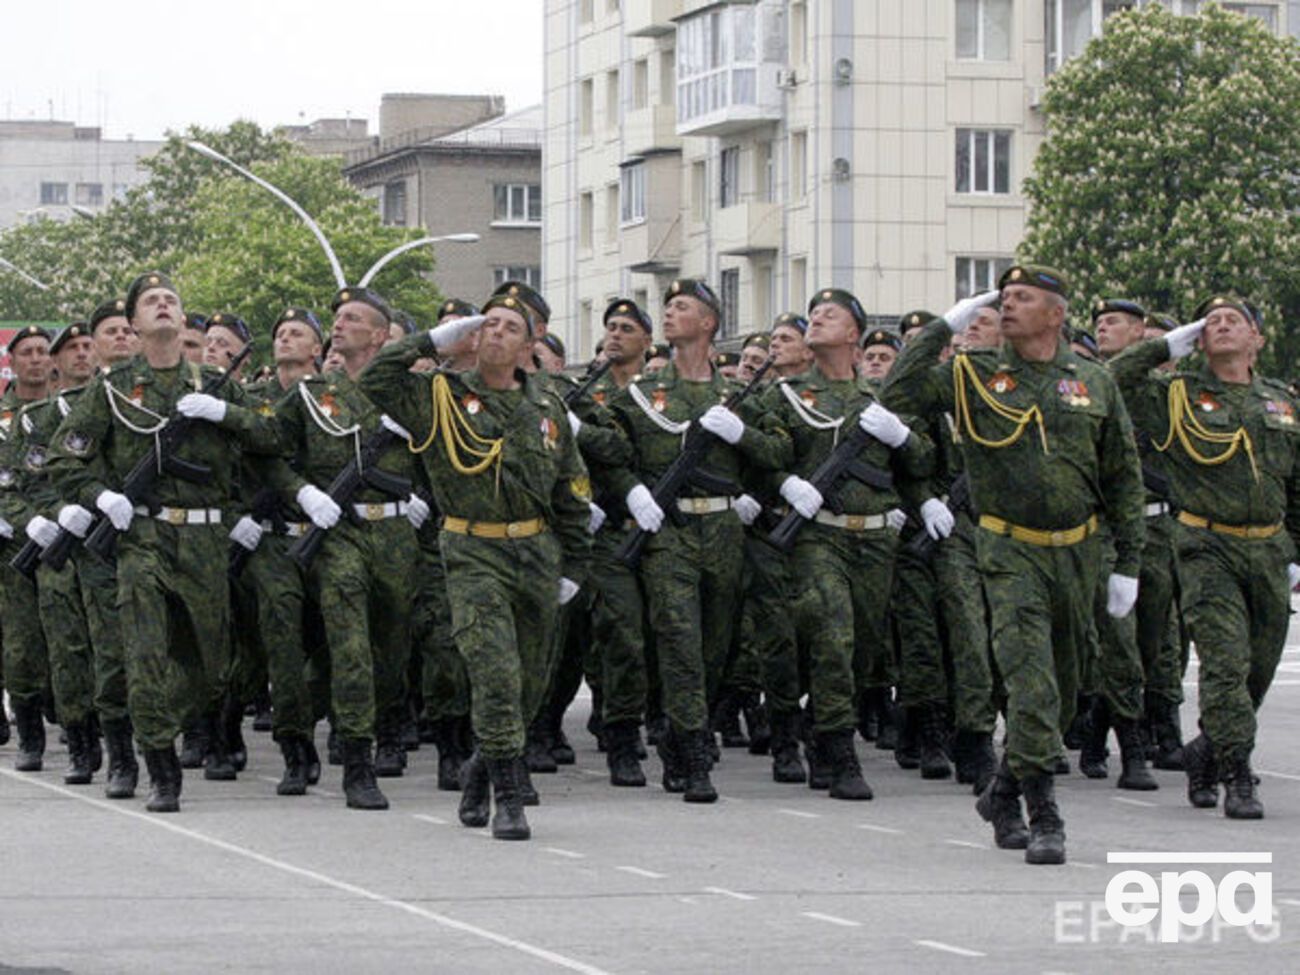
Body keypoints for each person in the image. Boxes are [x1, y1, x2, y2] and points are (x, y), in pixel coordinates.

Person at [882, 265, 1144, 865]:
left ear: (1055, 314)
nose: (1008, 306)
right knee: (1031, 684)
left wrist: (1128, 561)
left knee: (1069, 689)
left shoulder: (1093, 382)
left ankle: (1002, 791)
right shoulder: (973, 375)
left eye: (1023, 298)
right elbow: (896, 397)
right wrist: (943, 327)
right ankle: (1044, 812)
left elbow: (1123, 476)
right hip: (1008, 551)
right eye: (1003, 299)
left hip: (1078, 551)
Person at [44, 272, 283, 813]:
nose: (163, 306)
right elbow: (67, 455)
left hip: (205, 536)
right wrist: (102, 497)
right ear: (133, 324)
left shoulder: (215, 382)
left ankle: (162, 730)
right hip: (144, 536)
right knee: (145, 654)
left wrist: (228, 413)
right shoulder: (112, 388)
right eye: (151, 301)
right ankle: (159, 764)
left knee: (210, 665)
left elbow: (272, 440)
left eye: (171, 300)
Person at [360, 293, 591, 840]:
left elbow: (571, 488)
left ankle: (480, 769)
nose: (495, 333)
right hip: (471, 551)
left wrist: (575, 565)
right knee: (494, 674)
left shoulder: (548, 406)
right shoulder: (437, 396)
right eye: (488, 324)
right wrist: (434, 341)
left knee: (530, 685)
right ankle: (510, 798)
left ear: (529, 346)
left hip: (535, 554)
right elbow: (373, 381)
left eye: (510, 328)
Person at [1109, 296, 1300, 820]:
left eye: (1232, 320)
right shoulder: (1177, 396)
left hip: (1268, 549)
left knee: (1257, 671)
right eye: (1210, 322)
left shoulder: (1280, 402)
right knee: (1225, 664)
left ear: (1257, 340)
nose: (1220, 326)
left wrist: (1296, 551)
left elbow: (1298, 483)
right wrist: (1169, 343)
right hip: (1204, 548)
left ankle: (1204, 752)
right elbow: (1115, 378)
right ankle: (1237, 773)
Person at [604, 279, 785, 803]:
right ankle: (691, 750)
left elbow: (776, 453)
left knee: (715, 646)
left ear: (708, 323)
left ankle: (683, 729)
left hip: (724, 530)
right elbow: (611, 454)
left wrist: (740, 434)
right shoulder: (642, 392)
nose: (669, 313)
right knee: (679, 639)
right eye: (667, 306)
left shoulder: (737, 396)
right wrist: (633, 492)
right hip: (670, 533)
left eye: (681, 307)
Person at [762, 289, 938, 800]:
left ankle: (822, 724)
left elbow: (921, 463)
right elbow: (765, 456)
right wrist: (783, 483)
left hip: (877, 539)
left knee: (862, 648)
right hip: (820, 537)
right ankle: (840, 752)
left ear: (853, 335)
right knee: (832, 637)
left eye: (830, 315)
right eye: (813, 314)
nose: (817, 319)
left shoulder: (882, 400)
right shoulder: (789, 394)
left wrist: (902, 436)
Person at [263, 286, 423, 810]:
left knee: (390, 653)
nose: (340, 323)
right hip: (340, 535)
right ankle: (357, 762)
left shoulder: (411, 394)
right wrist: (302, 493)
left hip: (397, 537)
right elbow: (268, 454)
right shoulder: (310, 395)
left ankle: (376, 727)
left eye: (353, 318)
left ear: (379, 335)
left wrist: (427, 496)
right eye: (337, 316)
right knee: (349, 646)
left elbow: (449, 452)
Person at [0, 326, 54, 771]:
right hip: (12, 545)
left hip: (60, 537)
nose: (36, 359)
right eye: (28, 353)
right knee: (20, 641)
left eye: (42, 352)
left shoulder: (66, 410)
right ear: (12, 361)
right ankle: (31, 733)